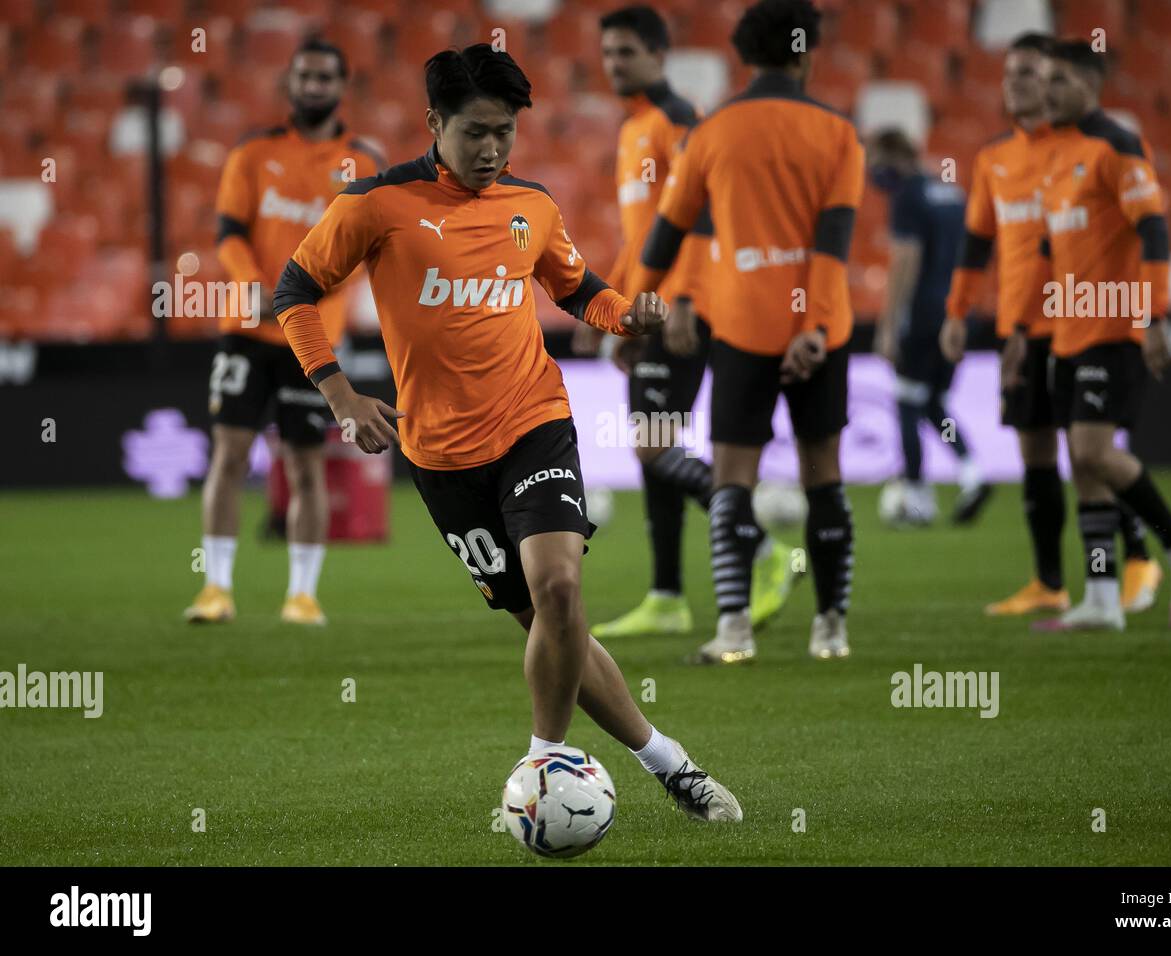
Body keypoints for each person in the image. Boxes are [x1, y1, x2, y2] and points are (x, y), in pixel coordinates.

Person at [273, 44, 742, 819]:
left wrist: (629, 313)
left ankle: (542, 764)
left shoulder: (533, 206)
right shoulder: (376, 204)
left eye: (505, 134)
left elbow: (576, 288)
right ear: (434, 123)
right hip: (441, 456)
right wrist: (340, 394)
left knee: (561, 587)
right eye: (476, 133)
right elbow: (293, 290)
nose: (492, 150)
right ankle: (670, 763)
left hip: (534, 419)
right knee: (547, 627)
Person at [628, 0, 862, 662]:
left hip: (740, 325)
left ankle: (733, 629)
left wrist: (633, 308)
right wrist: (812, 326)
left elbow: (666, 232)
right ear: (806, 53)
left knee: (733, 479)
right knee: (824, 476)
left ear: (744, 56)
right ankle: (831, 629)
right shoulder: (838, 133)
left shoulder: (712, 131)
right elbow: (832, 242)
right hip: (822, 330)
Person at [580, 4, 799, 640]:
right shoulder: (633, 129)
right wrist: (612, 306)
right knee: (655, 449)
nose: (614, 64)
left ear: (658, 55)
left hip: (682, 308)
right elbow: (643, 234)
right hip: (648, 307)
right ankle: (668, 595)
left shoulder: (677, 121)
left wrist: (686, 301)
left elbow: (703, 210)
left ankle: (763, 549)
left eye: (627, 52)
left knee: (651, 444)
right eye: (609, 53)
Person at [941, 32, 1161, 616]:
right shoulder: (994, 158)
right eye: (1009, 72)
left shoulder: (1082, 150)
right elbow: (975, 243)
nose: (1016, 82)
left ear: (1056, 82)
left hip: (1079, 322)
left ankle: (1138, 559)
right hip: (1020, 327)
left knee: (1087, 453)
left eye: (1031, 73)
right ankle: (1049, 581)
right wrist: (957, 312)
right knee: (1036, 454)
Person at [1016, 40, 1171, 631]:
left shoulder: (1119, 146)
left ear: (1088, 84)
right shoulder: (1055, 154)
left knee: (1094, 451)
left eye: (1057, 82)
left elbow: (1153, 230)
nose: (1043, 93)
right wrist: (1029, 328)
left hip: (1115, 324)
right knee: (1083, 465)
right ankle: (1102, 597)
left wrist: (1153, 316)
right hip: (1067, 330)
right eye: (1043, 82)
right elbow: (1053, 250)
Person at [185, 38, 384, 626]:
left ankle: (302, 595)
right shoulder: (252, 153)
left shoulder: (364, 164)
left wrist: (308, 295)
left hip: (314, 337)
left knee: (304, 462)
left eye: (325, 77)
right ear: (290, 83)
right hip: (245, 328)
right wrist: (253, 288)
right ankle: (215, 588)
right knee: (230, 453)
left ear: (341, 86)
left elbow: (367, 250)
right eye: (305, 76)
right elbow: (227, 232)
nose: (314, 86)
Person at [868, 128, 991, 527]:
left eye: (874, 162)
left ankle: (917, 497)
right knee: (933, 403)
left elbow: (906, 258)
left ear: (892, 159)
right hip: (957, 314)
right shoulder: (950, 192)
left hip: (921, 316)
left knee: (907, 403)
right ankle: (972, 473)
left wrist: (888, 325)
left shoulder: (907, 196)